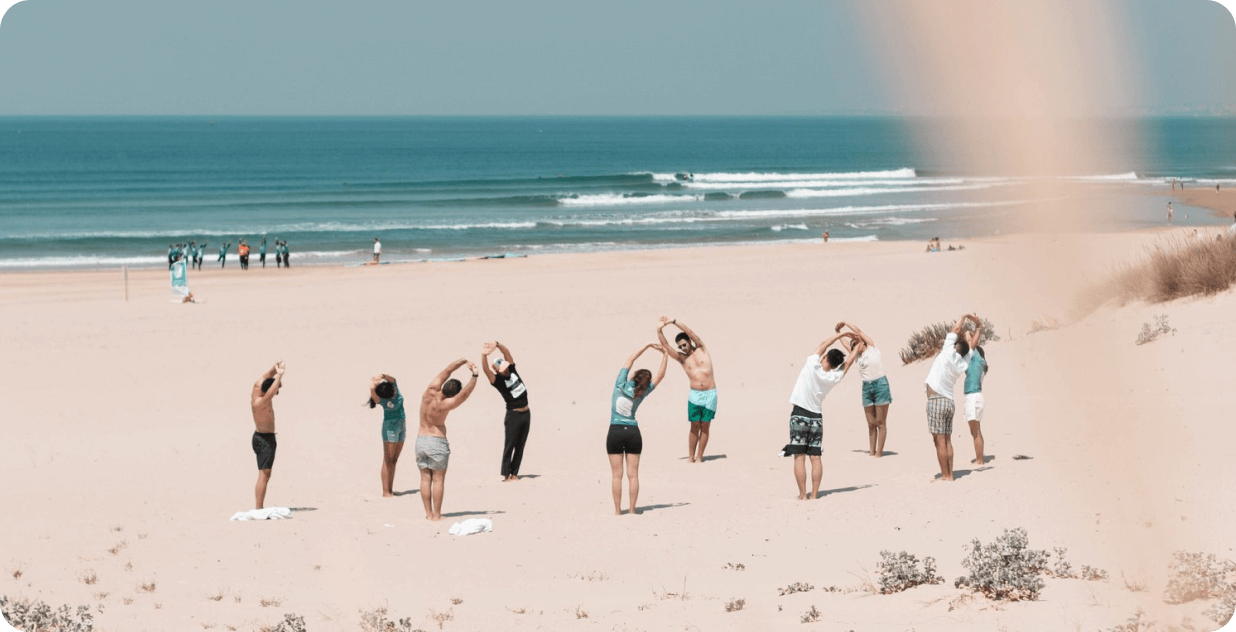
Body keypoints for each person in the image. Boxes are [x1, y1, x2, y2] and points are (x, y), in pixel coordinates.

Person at [786, 332, 858, 500]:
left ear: (825, 356)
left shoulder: (812, 364)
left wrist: (843, 334)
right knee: (816, 457)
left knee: (799, 457)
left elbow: (824, 343)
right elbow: (847, 364)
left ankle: (803, 495)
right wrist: (857, 349)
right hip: (816, 417)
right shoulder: (833, 376)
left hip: (800, 414)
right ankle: (815, 494)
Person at [608, 343, 668, 515]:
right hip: (633, 433)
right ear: (646, 383)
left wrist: (647, 347)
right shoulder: (643, 392)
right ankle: (633, 510)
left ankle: (618, 511)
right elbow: (661, 376)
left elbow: (630, 359)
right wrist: (665, 355)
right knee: (633, 475)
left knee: (616, 476)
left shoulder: (620, 383)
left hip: (615, 431)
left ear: (633, 377)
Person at [416, 358, 479, 521]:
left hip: (421, 440)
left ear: (443, 385)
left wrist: (462, 361)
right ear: (454, 393)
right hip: (436, 441)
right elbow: (464, 395)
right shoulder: (446, 404)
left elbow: (446, 371)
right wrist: (474, 376)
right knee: (438, 479)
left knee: (424, 478)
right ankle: (436, 515)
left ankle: (428, 514)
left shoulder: (430, 390)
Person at [923, 314, 981, 482]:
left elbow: (956, 329)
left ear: (955, 345)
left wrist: (965, 316)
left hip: (937, 400)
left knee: (939, 440)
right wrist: (979, 327)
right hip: (949, 402)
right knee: (947, 439)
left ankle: (946, 475)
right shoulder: (963, 362)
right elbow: (973, 345)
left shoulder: (948, 351)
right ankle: (950, 473)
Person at [656, 317, 717, 463]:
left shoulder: (702, 348)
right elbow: (666, 346)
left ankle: (700, 457)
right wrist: (659, 330)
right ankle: (691, 457)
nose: (683, 348)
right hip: (695, 395)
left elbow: (689, 331)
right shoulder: (682, 358)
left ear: (689, 341)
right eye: (680, 346)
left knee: (705, 426)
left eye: (684, 344)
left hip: (709, 394)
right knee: (694, 426)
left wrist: (673, 321)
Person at [835, 321, 892, 457]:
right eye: (853, 345)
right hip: (867, 387)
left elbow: (858, 332)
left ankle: (879, 453)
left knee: (880, 422)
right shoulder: (857, 356)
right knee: (871, 423)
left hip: (880, 385)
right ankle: (871, 452)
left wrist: (845, 323)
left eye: (856, 343)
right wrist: (838, 333)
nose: (855, 345)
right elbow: (844, 343)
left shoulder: (872, 347)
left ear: (863, 343)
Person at [481, 341, 531, 481]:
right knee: (510, 445)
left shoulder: (512, 370)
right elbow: (486, 370)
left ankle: (515, 474)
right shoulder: (497, 381)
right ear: (497, 371)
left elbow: (507, 353)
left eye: (506, 367)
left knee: (520, 446)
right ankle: (506, 475)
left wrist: (497, 344)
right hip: (513, 415)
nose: (506, 370)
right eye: (503, 369)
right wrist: (483, 356)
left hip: (526, 413)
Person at [250, 361, 286, 509]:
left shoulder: (257, 387)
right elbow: (271, 392)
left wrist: (275, 369)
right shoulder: (260, 402)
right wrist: (280, 376)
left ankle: (259, 507)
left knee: (265, 474)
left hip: (263, 438)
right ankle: (259, 509)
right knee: (264, 475)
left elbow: (267, 376)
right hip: (264, 440)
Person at [366, 373, 406, 497]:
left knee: (394, 460)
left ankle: (391, 489)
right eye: (392, 394)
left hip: (401, 426)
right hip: (390, 429)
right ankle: (385, 491)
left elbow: (393, 379)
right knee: (388, 459)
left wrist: (382, 375)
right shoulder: (382, 400)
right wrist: (372, 387)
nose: (394, 393)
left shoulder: (393, 386)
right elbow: (374, 396)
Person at [961, 324, 989, 466]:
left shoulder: (977, 358)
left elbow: (969, 339)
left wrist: (974, 330)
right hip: (972, 396)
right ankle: (980, 458)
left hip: (973, 396)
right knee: (975, 430)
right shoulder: (973, 362)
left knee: (975, 430)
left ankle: (980, 460)